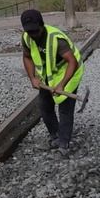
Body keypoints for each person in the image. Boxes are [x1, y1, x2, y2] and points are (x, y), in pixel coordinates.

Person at [21, 9, 84, 157]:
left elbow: (72, 62)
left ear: (42, 25)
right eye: (30, 32)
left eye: (36, 31)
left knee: (65, 108)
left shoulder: (56, 38)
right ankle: (55, 136)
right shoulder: (27, 38)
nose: (33, 35)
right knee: (44, 107)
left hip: (69, 73)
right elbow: (27, 57)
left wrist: (62, 84)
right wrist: (33, 78)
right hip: (48, 77)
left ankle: (64, 144)